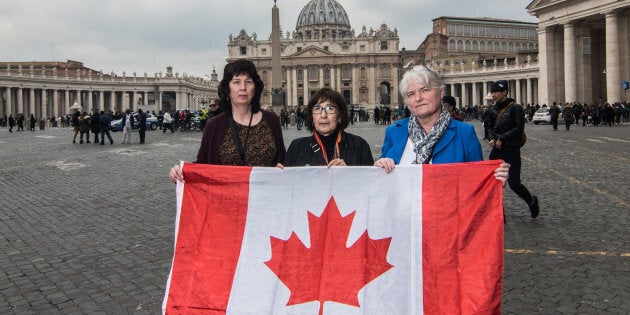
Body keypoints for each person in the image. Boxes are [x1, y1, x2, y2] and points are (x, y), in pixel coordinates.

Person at [373, 65, 509, 184]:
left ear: (441, 92)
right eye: (411, 94)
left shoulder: (465, 133)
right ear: (407, 101)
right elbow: (384, 184)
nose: (418, 98)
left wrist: (493, 179)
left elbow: (477, 181)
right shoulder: (394, 131)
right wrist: (378, 168)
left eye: (425, 90)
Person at [169, 59, 285, 182]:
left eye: (248, 82)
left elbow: (282, 159)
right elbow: (202, 165)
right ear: (227, 88)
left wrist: (283, 169)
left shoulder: (272, 120)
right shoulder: (214, 125)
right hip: (226, 199)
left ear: (255, 87)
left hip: (262, 196)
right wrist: (180, 171)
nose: (243, 87)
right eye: (236, 82)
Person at [486, 80, 539, 218]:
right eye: (492, 92)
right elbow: (488, 127)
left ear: (504, 92)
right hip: (496, 151)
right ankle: (499, 213)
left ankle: (531, 201)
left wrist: (502, 138)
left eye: (496, 91)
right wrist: (491, 138)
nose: (493, 94)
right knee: (494, 183)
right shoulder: (492, 109)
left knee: (514, 184)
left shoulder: (515, 107)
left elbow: (518, 128)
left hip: (511, 149)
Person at [281, 87, 373, 167]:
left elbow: (369, 184)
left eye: (330, 109)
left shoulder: (360, 146)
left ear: (340, 116)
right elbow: (288, 185)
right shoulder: (296, 147)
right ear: (312, 116)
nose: (323, 115)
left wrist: (348, 173)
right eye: (317, 109)